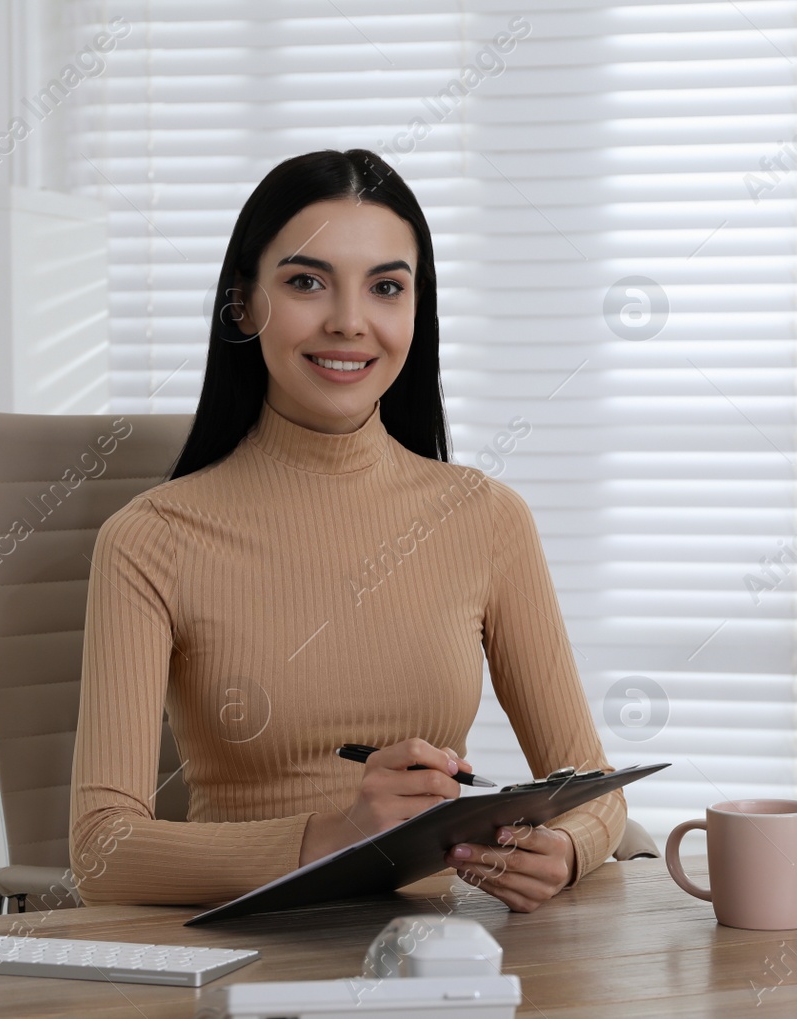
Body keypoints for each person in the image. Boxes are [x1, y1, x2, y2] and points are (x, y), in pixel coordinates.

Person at [69, 148, 626, 912]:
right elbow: (101, 848)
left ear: (416, 310)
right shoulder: (152, 538)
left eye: (386, 287)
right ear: (243, 305)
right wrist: (333, 835)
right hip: (243, 963)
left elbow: (593, 787)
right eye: (306, 282)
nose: (349, 322)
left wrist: (563, 850)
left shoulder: (487, 517)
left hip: (439, 962)